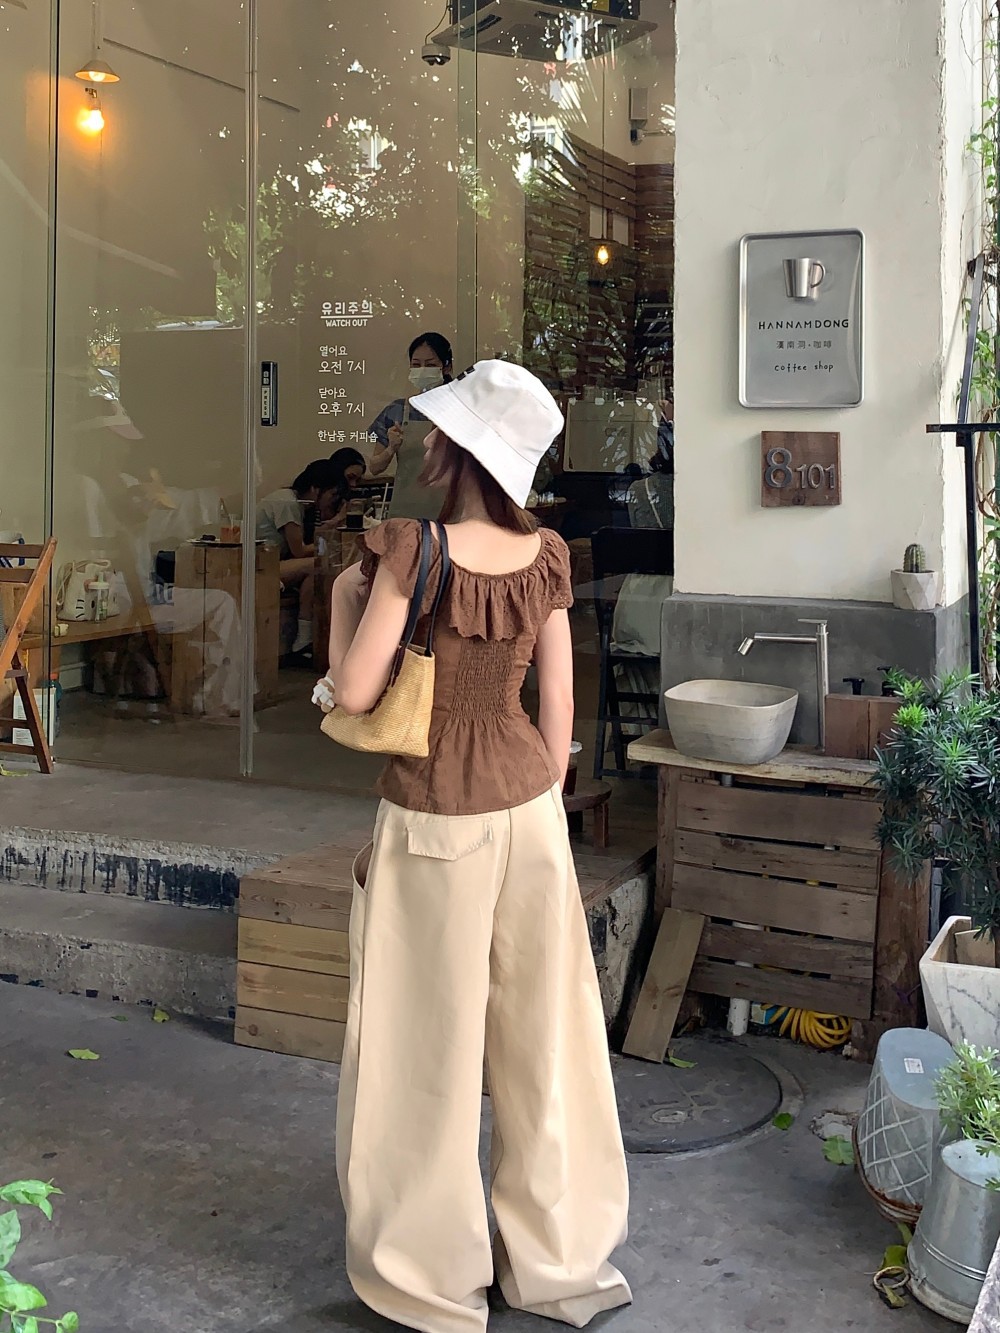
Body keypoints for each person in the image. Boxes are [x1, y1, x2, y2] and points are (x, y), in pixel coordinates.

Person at [315, 360, 631, 1332]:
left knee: (423, 1048)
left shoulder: (412, 550)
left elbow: (354, 692)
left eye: (435, 429)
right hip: (529, 809)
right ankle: (559, 1261)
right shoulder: (546, 556)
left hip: (434, 815)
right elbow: (559, 701)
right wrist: (542, 798)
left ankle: (430, 1278)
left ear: (457, 451)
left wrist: (343, 599)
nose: (421, 439)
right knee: (548, 1042)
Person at [256, 460, 341, 657]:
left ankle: (304, 640)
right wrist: (335, 525)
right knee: (317, 564)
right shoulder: (287, 503)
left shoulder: (292, 501)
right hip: (257, 567)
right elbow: (300, 551)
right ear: (315, 489)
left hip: (270, 563)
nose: (332, 500)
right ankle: (304, 638)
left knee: (314, 572)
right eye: (332, 494)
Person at [368, 332, 454, 518]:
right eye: (416, 365)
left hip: (449, 513)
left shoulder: (459, 410)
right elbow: (374, 468)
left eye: (430, 365)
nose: (422, 370)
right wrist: (391, 448)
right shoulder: (397, 411)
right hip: (405, 512)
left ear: (447, 367)